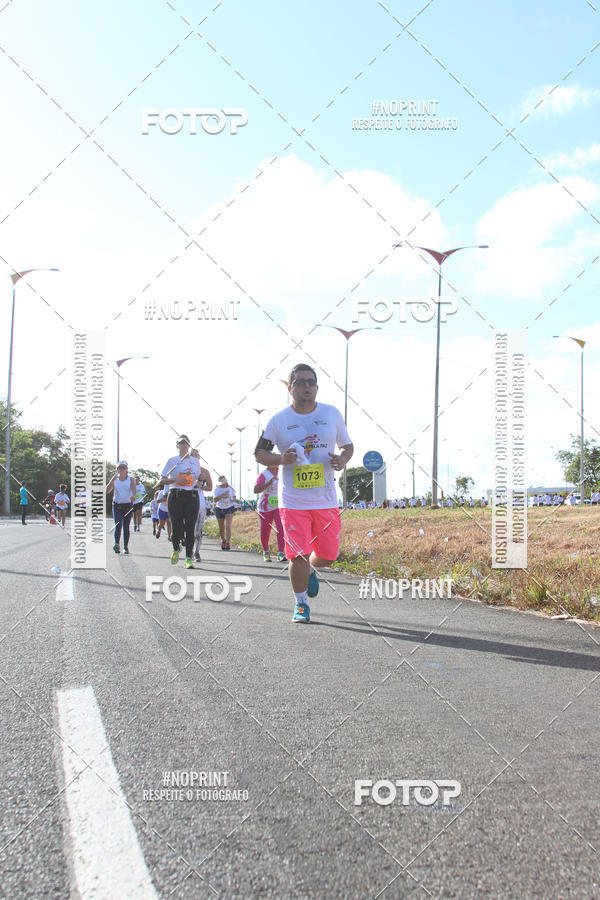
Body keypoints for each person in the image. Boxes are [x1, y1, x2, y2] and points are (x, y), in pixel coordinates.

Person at [255, 363, 353, 624]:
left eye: (311, 382)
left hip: (326, 499)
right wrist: (281, 459)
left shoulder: (331, 413)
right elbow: (260, 453)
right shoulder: (278, 420)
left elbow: (347, 446)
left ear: (317, 387)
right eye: (301, 382)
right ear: (290, 388)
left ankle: (310, 567)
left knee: (328, 556)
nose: (307, 386)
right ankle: (301, 604)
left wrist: (342, 459)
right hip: (293, 501)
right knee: (296, 554)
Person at [160, 435, 200, 568]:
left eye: (186, 443)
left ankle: (188, 558)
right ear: (177, 446)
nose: (184, 445)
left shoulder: (195, 461)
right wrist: (176, 480)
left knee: (190, 528)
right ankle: (176, 548)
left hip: (191, 496)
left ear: (189, 445)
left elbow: (198, 477)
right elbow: (162, 480)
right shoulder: (172, 461)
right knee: (177, 527)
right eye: (181, 443)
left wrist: (200, 479)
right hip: (175, 496)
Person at [254, 465, 285, 562]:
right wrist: (269, 483)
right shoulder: (264, 474)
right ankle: (266, 552)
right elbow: (256, 490)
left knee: (281, 528)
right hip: (265, 506)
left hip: (279, 505)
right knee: (265, 530)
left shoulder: (282, 472)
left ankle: (281, 553)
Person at [106, 461, 136, 553]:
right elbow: (107, 491)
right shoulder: (115, 479)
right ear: (117, 469)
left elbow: (134, 490)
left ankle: (125, 547)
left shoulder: (131, 479)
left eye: (124, 467)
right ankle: (117, 544)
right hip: (117, 505)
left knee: (126, 527)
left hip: (127, 505)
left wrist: (133, 496)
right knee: (118, 525)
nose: (122, 469)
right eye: (120, 468)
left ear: (127, 469)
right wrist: (111, 481)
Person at [190, 449, 213, 562]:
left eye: (196, 455)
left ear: (199, 457)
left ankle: (197, 551)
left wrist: (201, 486)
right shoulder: (186, 470)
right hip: (188, 500)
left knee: (199, 529)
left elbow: (210, 487)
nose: (194, 457)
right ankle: (189, 550)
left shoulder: (205, 471)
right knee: (190, 528)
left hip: (200, 501)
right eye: (192, 455)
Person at [214, 476, 237, 550]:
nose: (223, 485)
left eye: (224, 483)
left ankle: (227, 542)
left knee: (228, 526)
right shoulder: (217, 489)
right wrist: (223, 495)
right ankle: (223, 540)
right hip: (219, 508)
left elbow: (234, 498)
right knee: (221, 527)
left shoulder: (230, 488)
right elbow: (215, 499)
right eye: (222, 483)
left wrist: (233, 499)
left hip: (229, 507)